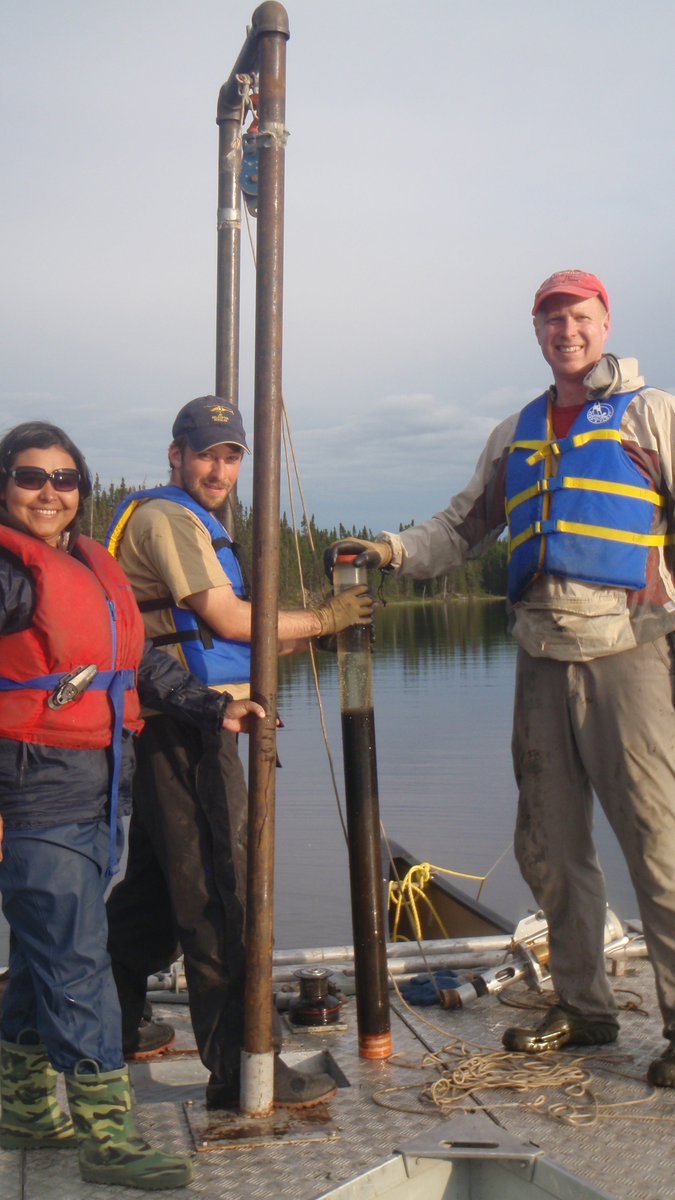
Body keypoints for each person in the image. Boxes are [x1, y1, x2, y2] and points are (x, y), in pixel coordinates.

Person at [327, 269, 675, 1088]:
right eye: (551, 320)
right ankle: (584, 1008)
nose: (566, 332)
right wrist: (390, 550)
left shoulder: (650, 414)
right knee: (547, 845)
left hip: (628, 649)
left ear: (604, 322)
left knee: (657, 844)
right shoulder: (513, 434)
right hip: (537, 655)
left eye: (578, 317)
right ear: (536, 331)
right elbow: (462, 526)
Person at [0, 420, 265, 1189]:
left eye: (64, 479)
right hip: (31, 789)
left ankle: (22, 1105)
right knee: (77, 960)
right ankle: (107, 1136)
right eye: (29, 477)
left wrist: (216, 708)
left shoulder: (87, 564)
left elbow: (139, 661)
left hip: (97, 785)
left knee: (42, 955)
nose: (49, 493)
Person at [104, 395, 372, 1109]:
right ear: (176, 455)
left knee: (153, 901)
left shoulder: (192, 521)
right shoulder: (168, 519)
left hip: (179, 725)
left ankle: (111, 1022)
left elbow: (226, 642)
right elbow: (226, 619)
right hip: (186, 730)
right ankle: (240, 1068)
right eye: (206, 455)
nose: (219, 470)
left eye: (231, 458)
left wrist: (313, 632)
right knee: (221, 895)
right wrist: (324, 618)